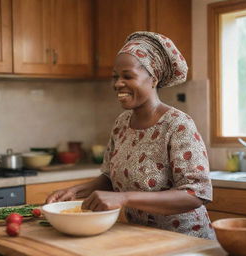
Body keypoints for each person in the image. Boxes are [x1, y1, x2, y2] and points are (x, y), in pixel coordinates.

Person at [46, 31, 216, 240]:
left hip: (185, 242)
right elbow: (110, 178)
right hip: (142, 237)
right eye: (115, 77)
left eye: (127, 76)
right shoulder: (121, 124)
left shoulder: (178, 125)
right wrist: (75, 191)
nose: (117, 84)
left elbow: (196, 194)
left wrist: (124, 198)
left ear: (153, 79)